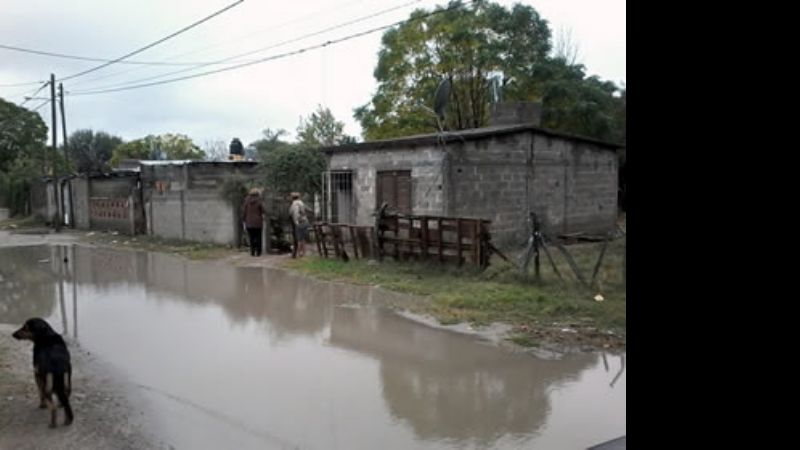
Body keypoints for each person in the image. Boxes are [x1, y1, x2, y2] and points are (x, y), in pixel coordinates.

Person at [241, 188, 266, 256]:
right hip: (258, 222)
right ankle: (258, 252)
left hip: (249, 222)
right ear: (257, 193)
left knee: (251, 238)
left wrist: (244, 219)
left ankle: (252, 252)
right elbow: (263, 210)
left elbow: (244, 211)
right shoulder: (259, 200)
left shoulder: (246, 200)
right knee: (258, 237)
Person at [288, 192, 310, 257]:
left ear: (292, 198)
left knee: (299, 239)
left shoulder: (294, 204)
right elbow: (308, 209)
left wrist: (296, 222)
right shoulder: (301, 203)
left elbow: (295, 213)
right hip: (305, 221)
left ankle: (299, 253)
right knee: (303, 239)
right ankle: (304, 252)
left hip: (299, 222)